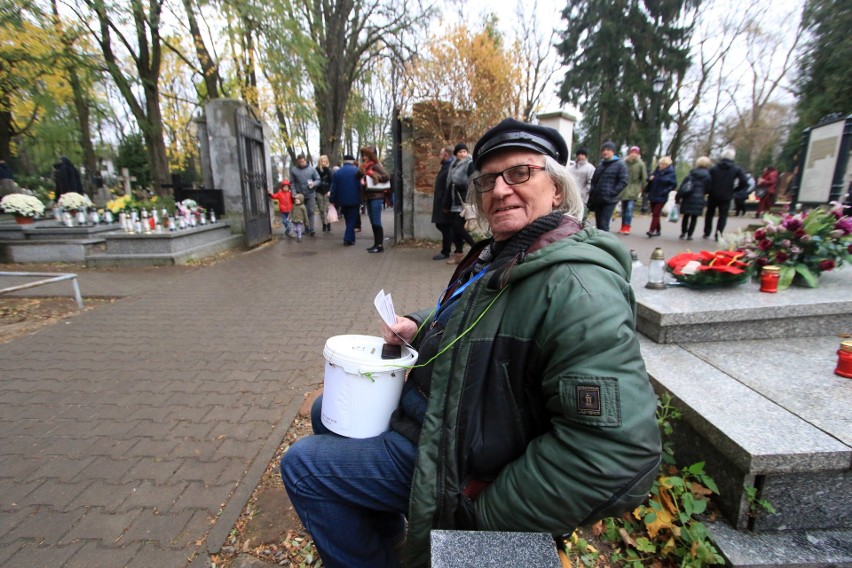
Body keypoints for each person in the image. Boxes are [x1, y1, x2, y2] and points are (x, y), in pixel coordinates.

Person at [280, 117, 662, 568]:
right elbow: (474, 318)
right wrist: (418, 326)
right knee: (329, 412)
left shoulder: (577, 289)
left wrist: (483, 515)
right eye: (487, 180)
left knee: (303, 465)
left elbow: (617, 453)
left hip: (459, 462)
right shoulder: (506, 250)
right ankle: (387, 542)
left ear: (557, 189)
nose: (500, 190)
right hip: (444, 415)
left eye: (520, 173)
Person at [703, 148, 748, 240]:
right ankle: (718, 234)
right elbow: (744, 181)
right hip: (727, 194)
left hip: (713, 194)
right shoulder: (736, 169)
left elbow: (707, 180)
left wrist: (708, 190)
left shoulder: (714, 168)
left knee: (709, 214)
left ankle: (707, 232)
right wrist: (736, 190)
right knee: (723, 215)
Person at [443, 143, 476, 264]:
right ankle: (458, 255)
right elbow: (449, 185)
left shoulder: (469, 163)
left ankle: (477, 249)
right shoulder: (453, 164)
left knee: (457, 227)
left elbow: (472, 181)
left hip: (464, 201)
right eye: (460, 152)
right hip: (454, 200)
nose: (462, 154)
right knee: (455, 229)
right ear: (456, 154)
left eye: (464, 151)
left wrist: (460, 185)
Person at [588, 141, 628, 232]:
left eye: (608, 150)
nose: (605, 152)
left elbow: (623, 181)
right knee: (599, 224)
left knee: (604, 224)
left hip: (609, 200)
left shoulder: (620, 165)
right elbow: (594, 181)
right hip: (598, 198)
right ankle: (599, 243)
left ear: (613, 151)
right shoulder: (600, 165)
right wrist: (592, 194)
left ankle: (605, 244)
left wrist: (612, 193)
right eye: (604, 150)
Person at [358, 146, 391, 253]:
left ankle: (380, 245)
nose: (364, 157)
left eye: (366, 155)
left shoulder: (376, 166)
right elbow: (357, 176)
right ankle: (376, 244)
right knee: (372, 221)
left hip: (376, 196)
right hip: (369, 196)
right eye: (363, 155)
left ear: (370, 156)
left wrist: (373, 175)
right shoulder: (365, 167)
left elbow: (387, 176)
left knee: (376, 221)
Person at [675, 156, 711, 240]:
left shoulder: (691, 174)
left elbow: (682, 187)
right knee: (694, 218)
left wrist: (678, 197)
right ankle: (690, 234)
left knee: (686, 216)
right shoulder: (708, 176)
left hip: (688, 197)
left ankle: (683, 232)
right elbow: (709, 189)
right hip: (699, 198)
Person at [330, 154, 362, 246]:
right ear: (353, 161)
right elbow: (361, 186)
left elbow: (333, 188)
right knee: (352, 220)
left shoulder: (337, 172)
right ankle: (347, 238)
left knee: (348, 220)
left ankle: (351, 239)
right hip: (355, 199)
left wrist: (332, 200)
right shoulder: (357, 171)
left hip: (342, 201)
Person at [431, 145, 455, 260]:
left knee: (445, 225)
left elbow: (449, 187)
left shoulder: (450, 167)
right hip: (441, 200)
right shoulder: (446, 166)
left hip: (445, 201)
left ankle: (446, 251)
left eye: (441, 154)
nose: (439, 156)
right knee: (442, 224)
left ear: (446, 155)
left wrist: (446, 203)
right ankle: (456, 240)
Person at [617, 146, 647, 235]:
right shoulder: (624, 162)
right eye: (632, 152)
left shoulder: (641, 164)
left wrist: (644, 188)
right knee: (624, 209)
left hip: (634, 189)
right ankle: (623, 226)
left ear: (638, 154)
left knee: (629, 209)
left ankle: (627, 226)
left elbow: (644, 177)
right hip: (624, 189)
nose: (633, 154)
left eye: (635, 152)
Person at [645, 156, 677, 237]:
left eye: (664, 164)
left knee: (656, 213)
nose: (662, 166)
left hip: (662, 195)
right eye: (661, 164)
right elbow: (649, 179)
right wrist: (650, 179)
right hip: (653, 194)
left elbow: (673, 184)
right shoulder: (656, 171)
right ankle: (658, 230)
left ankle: (651, 230)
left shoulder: (671, 174)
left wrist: (666, 191)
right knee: (655, 213)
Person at [289, 154, 320, 236]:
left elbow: (318, 179)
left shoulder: (312, 169)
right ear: (297, 162)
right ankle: (306, 229)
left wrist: (314, 183)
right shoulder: (294, 170)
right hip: (300, 195)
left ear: (305, 161)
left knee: (310, 211)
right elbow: (292, 183)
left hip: (310, 193)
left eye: (302, 162)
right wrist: (294, 193)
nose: (301, 163)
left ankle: (312, 229)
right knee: (303, 212)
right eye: (299, 162)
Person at [316, 155, 333, 232]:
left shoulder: (329, 170)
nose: (323, 163)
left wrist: (330, 190)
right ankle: (324, 223)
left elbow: (331, 182)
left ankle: (329, 223)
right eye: (322, 161)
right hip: (319, 191)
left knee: (327, 208)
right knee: (321, 209)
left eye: (324, 161)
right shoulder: (316, 170)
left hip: (327, 191)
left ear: (327, 162)